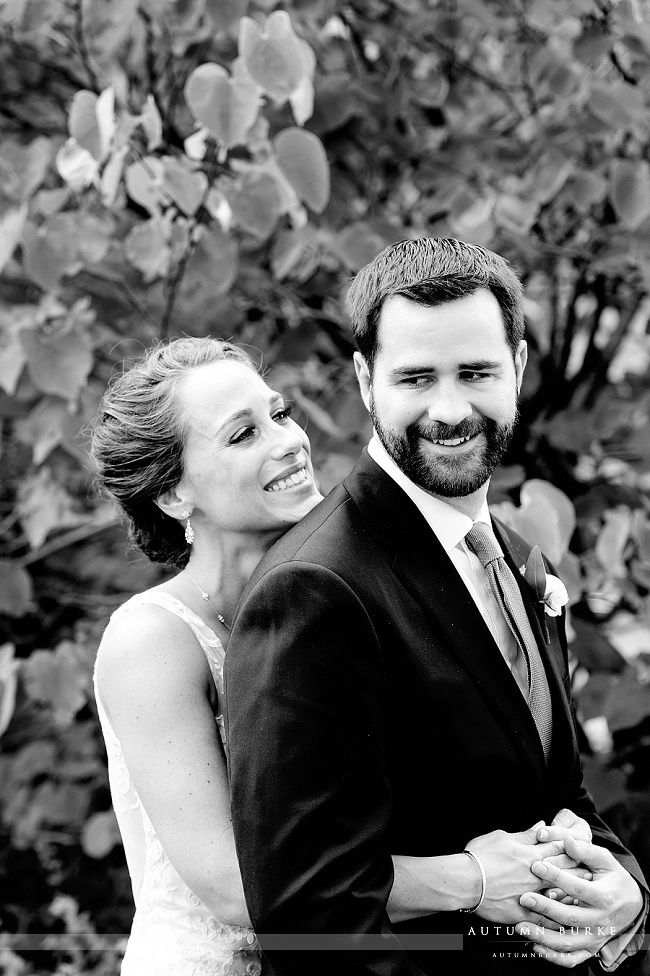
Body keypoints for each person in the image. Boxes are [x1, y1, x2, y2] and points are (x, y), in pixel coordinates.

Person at [224, 239, 648, 976]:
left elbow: (557, 794)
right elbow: (311, 918)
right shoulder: (316, 588)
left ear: (516, 367)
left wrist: (629, 898)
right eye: (416, 378)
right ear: (365, 380)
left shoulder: (520, 559)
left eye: (476, 373)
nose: (450, 410)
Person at [93, 336, 554, 976]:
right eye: (242, 435)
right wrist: (472, 878)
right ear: (173, 494)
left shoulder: (336, 598)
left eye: (279, 414)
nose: (288, 441)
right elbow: (237, 887)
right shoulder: (152, 641)